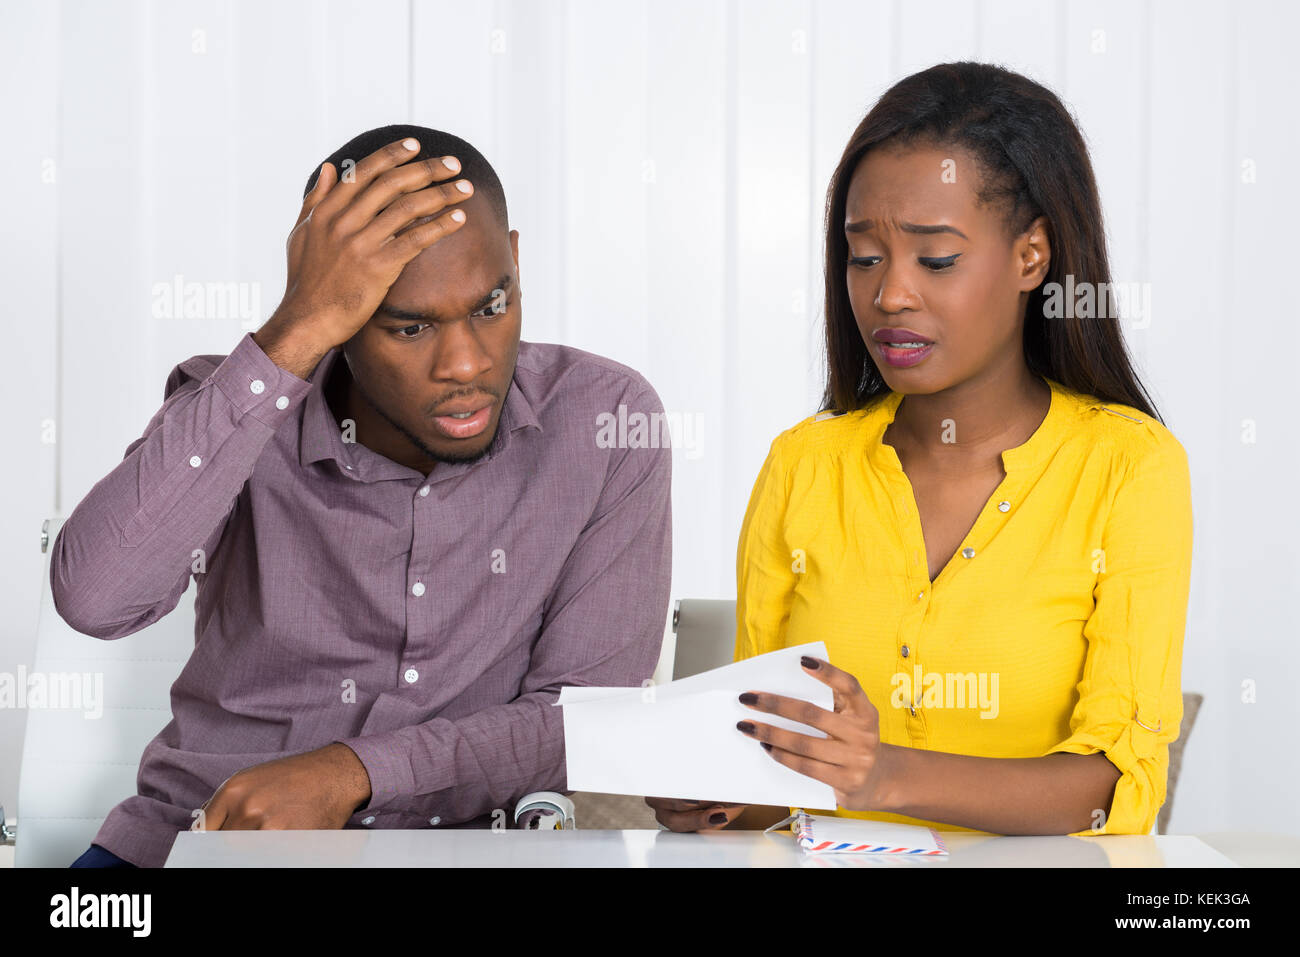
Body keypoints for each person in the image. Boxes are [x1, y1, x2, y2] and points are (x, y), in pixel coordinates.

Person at [56, 124, 672, 867]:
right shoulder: (236, 412)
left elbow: (585, 724)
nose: (466, 362)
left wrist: (353, 772)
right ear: (341, 314)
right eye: (409, 326)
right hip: (195, 846)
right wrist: (293, 332)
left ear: (515, 258)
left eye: (491, 304)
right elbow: (95, 597)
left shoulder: (608, 421)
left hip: (460, 856)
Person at [648, 61, 1193, 837]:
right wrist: (714, 794)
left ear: (1031, 257)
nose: (890, 293)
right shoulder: (804, 465)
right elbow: (778, 763)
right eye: (864, 256)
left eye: (934, 258)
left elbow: (1113, 784)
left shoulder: (1129, 468)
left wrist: (886, 772)